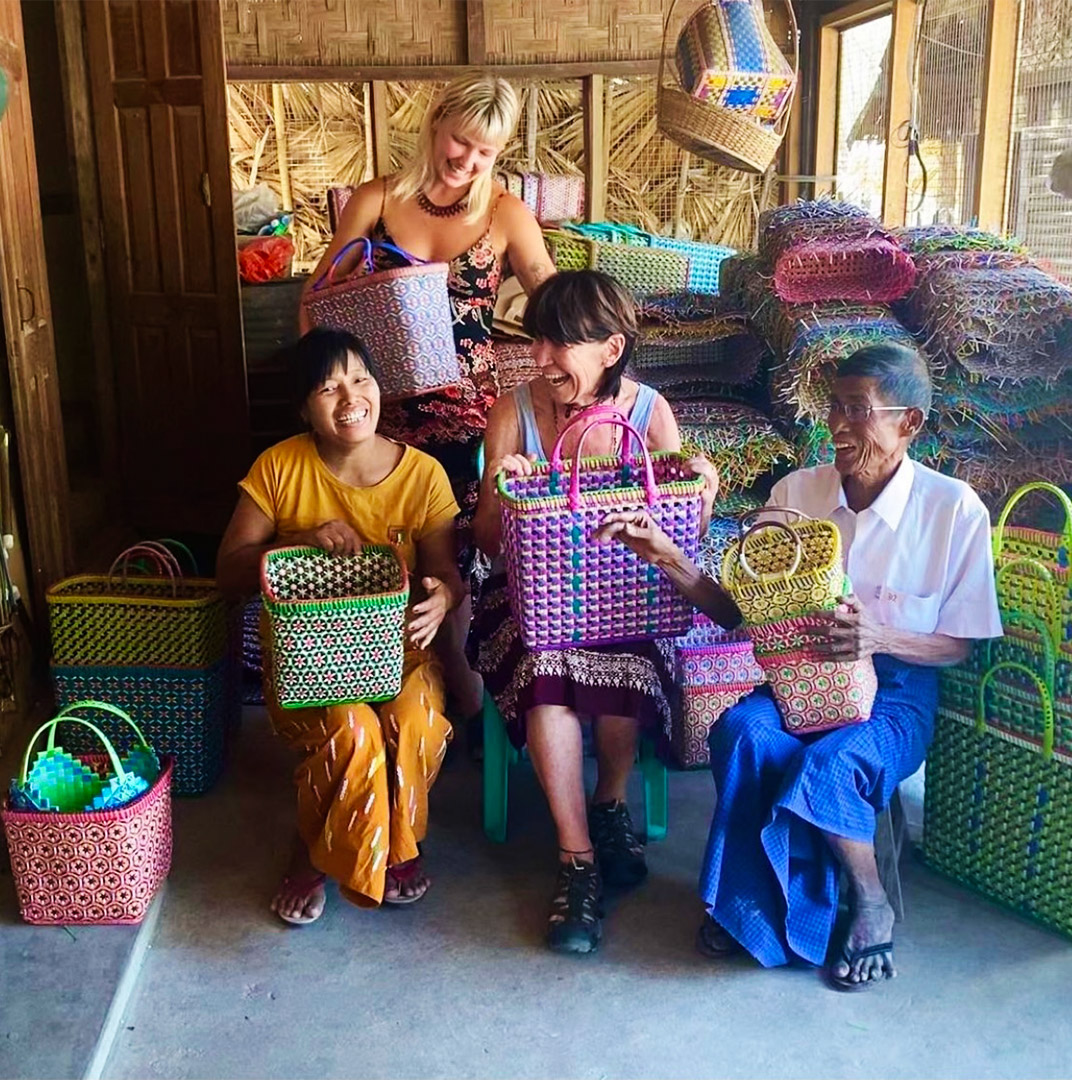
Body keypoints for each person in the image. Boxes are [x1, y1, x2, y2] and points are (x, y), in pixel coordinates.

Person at [596, 342, 1002, 989]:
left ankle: (869, 900)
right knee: (743, 731)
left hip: (896, 693)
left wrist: (880, 635)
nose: (837, 426)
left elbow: (960, 644)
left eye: (857, 410)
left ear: (909, 424)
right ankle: (752, 907)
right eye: (832, 407)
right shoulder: (797, 493)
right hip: (795, 678)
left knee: (832, 761)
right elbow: (738, 613)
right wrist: (667, 554)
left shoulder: (953, 510)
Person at [472, 270, 716, 955]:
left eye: (559, 344)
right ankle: (577, 861)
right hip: (529, 601)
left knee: (627, 661)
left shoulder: (648, 415)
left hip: (629, 601)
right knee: (548, 669)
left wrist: (704, 486)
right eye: (537, 340)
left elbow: (680, 534)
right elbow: (488, 546)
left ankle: (609, 802)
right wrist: (500, 491)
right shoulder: (513, 411)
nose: (542, 358)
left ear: (611, 349)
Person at [300, 73, 556, 722]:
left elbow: (556, 303)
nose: (468, 161)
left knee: (453, 550)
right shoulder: (377, 200)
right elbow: (314, 305)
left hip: (465, 414)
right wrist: (337, 388)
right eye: (461, 141)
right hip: (376, 415)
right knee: (380, 545)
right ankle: (382, 687)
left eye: (486, 152)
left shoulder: (505, 213)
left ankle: (460, 702)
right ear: (436, 122)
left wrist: (593, 357)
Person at [216, 328, 464, 924]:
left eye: (360, 379)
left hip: (402, 656)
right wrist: (298, 540)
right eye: (327, 387)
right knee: (353, 729)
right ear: (304, 407)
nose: (349, 396)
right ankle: (314, 851)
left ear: (380, 389)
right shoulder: (279, 467)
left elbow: (446, 574)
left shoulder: (423, 475)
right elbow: (227, 571)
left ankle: (392, 842)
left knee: (414, 720)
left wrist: (443, 599)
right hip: (309, 671)